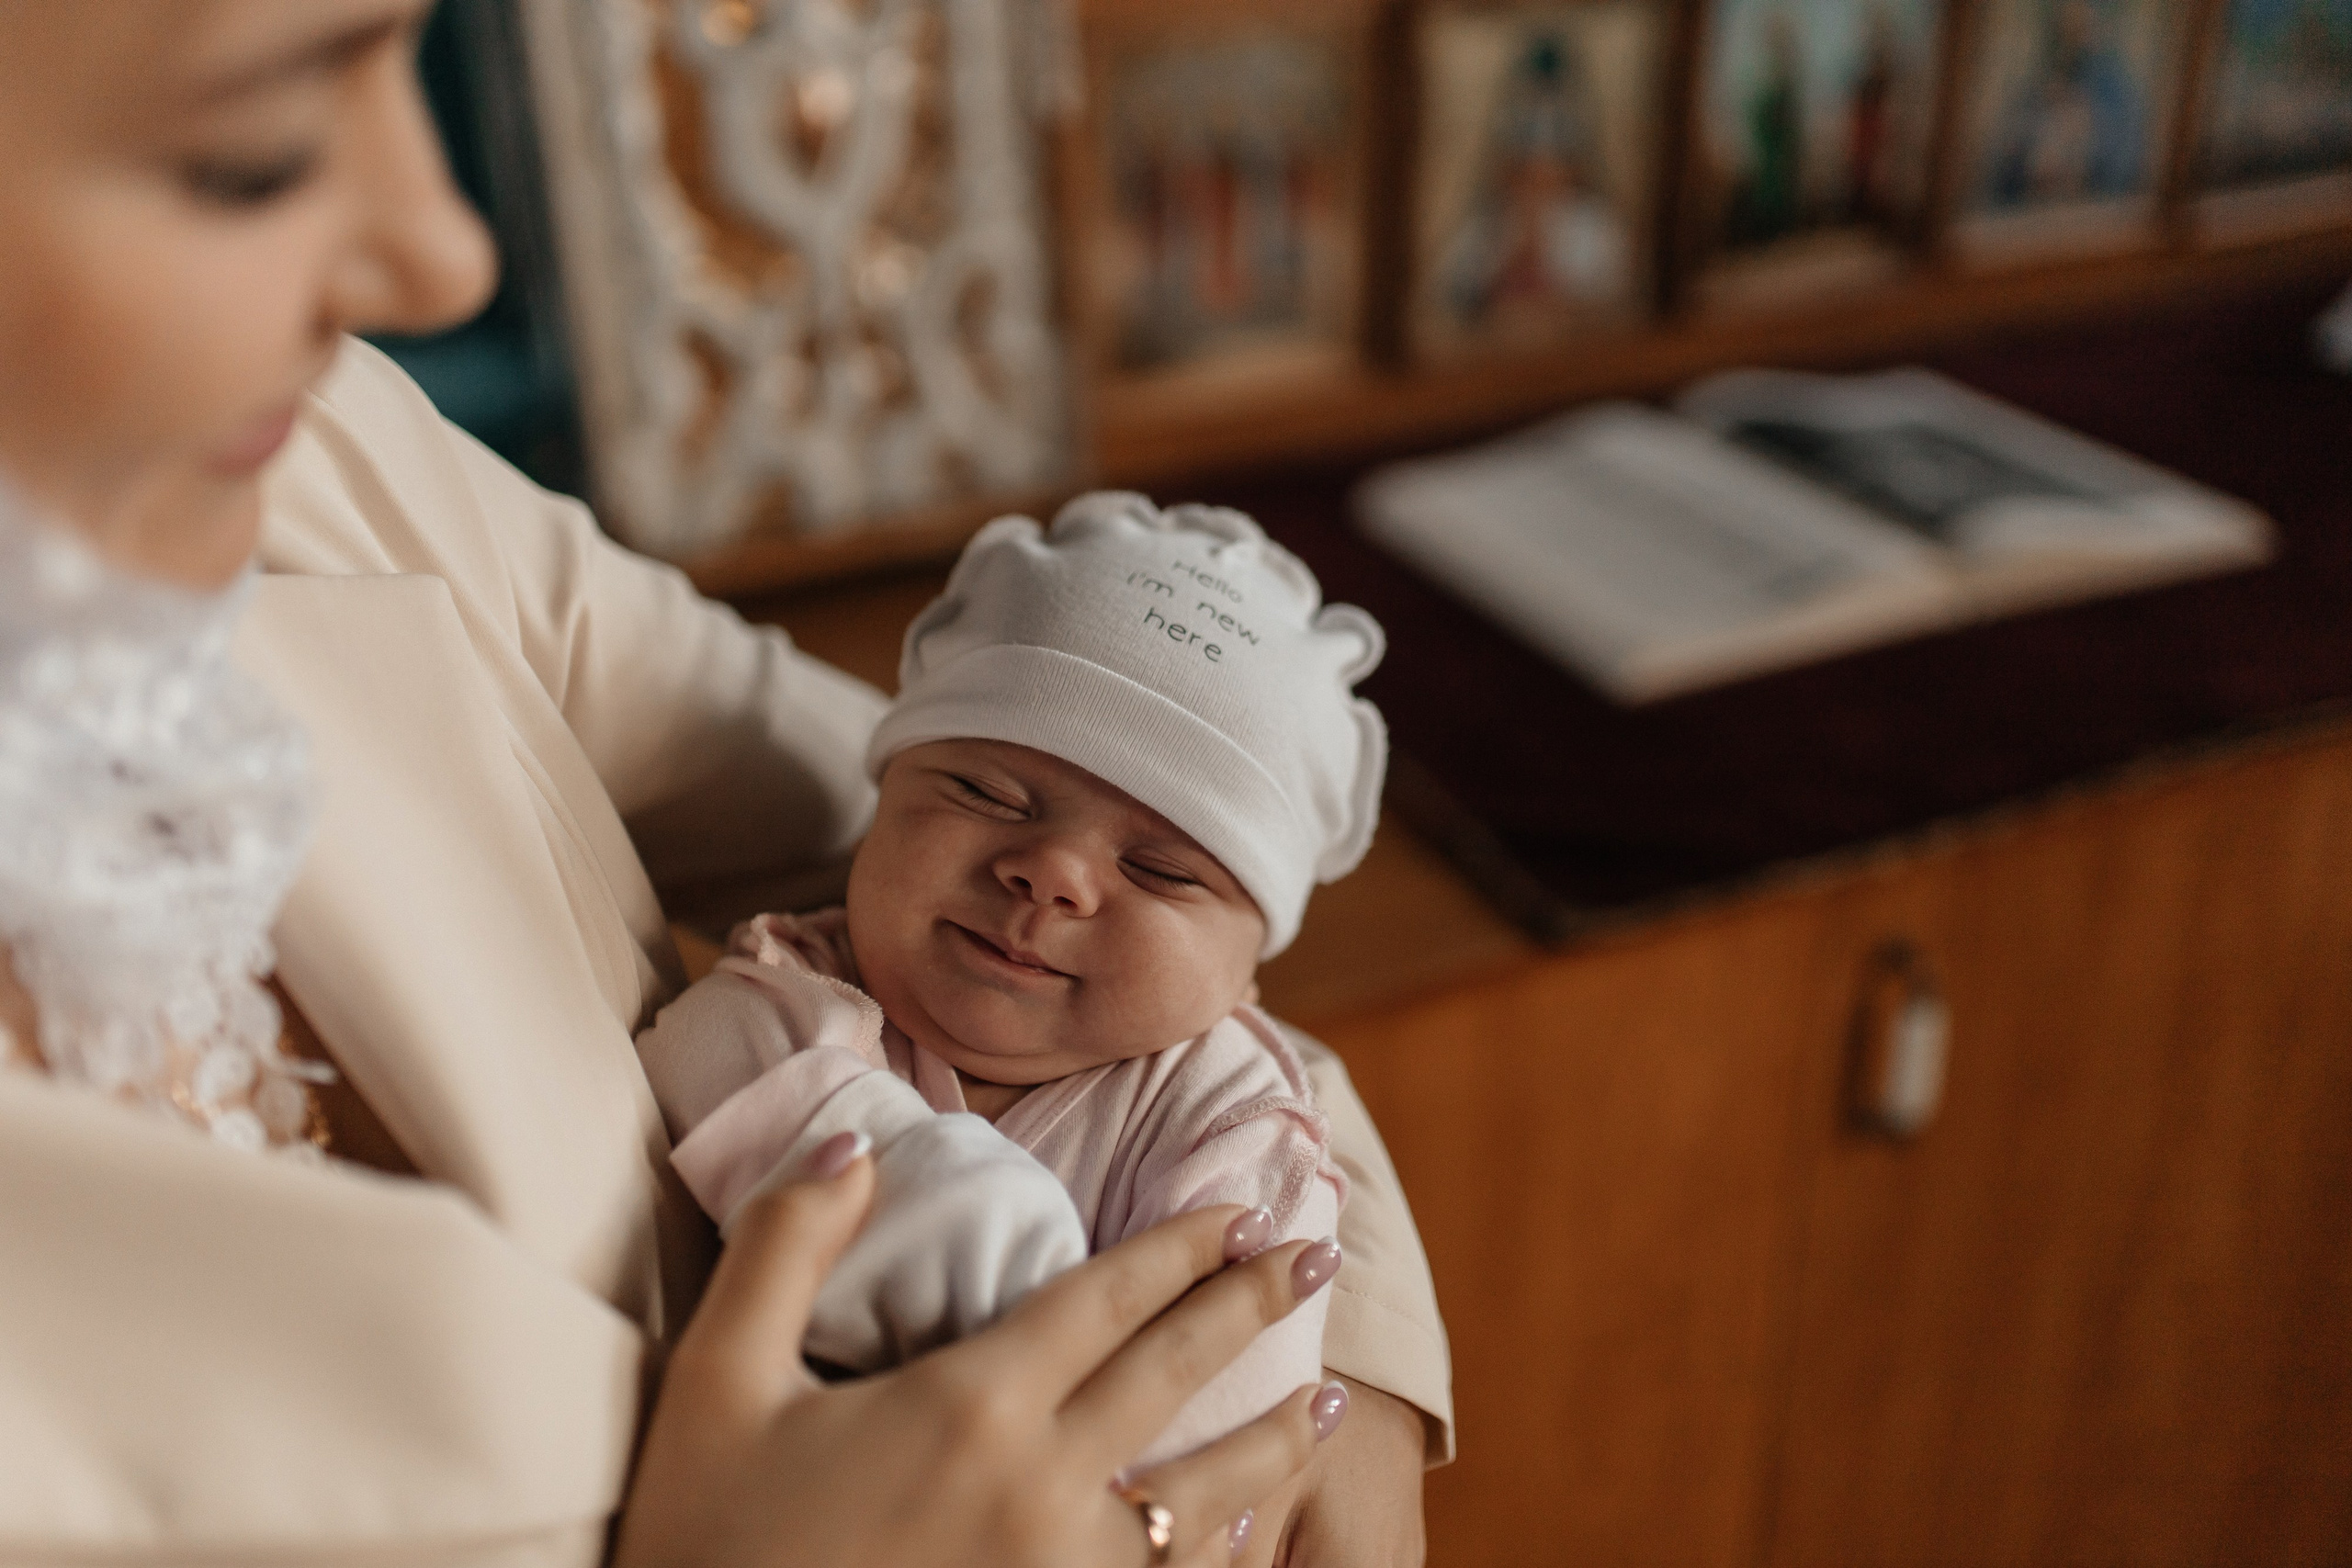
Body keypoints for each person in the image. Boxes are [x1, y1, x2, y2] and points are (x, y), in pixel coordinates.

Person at [0, 4, 1450, 1566]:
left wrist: (1327, 1340)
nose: (443, 259)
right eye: (246, 147)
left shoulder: (308, 451)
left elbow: (992, 816)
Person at [636, 495, 1385, 1519]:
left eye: (1162, 869)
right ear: (886, 791)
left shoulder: (1236, 1126)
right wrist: (1028, 1261)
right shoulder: (779, 995)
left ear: (1247, 977)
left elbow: (1217, 1416)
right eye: (987, 793)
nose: (1054, 875)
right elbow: (716, 1079)